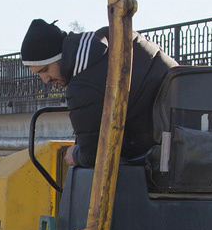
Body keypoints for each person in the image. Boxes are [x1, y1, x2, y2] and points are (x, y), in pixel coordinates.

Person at [20, 18, 179, 168]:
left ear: (60, 56)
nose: (45, 80)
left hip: (151, 152)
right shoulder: (120, 40)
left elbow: (93, 155)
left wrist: (75, 154)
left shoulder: (83, 85)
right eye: (38, 74)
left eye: (45, 69)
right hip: (180, 139)